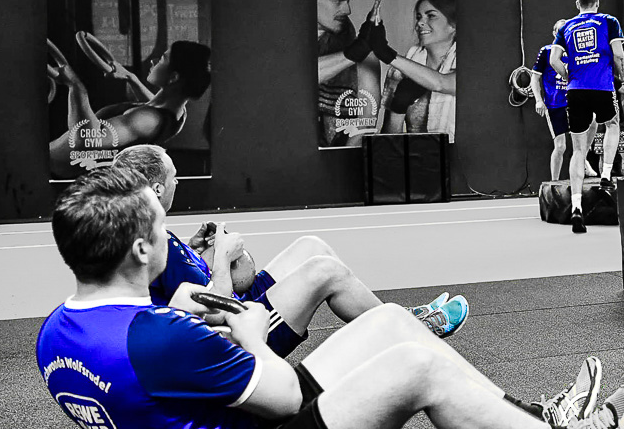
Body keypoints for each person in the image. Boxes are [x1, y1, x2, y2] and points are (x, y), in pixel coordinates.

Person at [36, 166, 624, 429]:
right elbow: (288, 399)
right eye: (163, 229)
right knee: (417, 366)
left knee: (389, 322)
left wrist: (206, 329)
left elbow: (159, 396)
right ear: (142, 251)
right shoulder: (155, 339)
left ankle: (540, 416)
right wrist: (250, 335)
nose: (172, 238)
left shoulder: (56, 334)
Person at [113, 145, 468, 354]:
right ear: (157, 189)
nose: (178, 182)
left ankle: (403, 318)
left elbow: (222, 283)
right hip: (233, 337)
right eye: (173, 176)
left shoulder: (154, 234)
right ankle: (408, 331)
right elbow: (214, 314)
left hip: (232, 303)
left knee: (311, 246)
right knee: (325, 272)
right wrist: (221, 256)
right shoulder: (150, 241)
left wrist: (195, 251)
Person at [47, 39, 212, 179]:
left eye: (163, 59)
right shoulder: (177, 112)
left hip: (51, 169)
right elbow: (151, 103)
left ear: (174, 77)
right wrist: (131, 78)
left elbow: (86, 140)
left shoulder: (147, 120)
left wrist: (76, 87)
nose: (154, 61)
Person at [551, 0, 624, 234]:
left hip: (576, 90)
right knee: (612, 124)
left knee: (578, 150)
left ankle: (576, 209)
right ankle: (605, 175)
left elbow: (553, 60)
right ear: (597, 2)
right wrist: (621, 77)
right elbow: (619, 55)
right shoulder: (608, 21)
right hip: (602, 87)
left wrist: (568, 74)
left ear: (577, 3)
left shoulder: (566, 27)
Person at [315, 0, 381, 148]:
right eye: (338, 1)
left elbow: (367, 122)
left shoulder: (365, 53)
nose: (348, 10)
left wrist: (339, 165)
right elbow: (292, 77)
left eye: (348, 1)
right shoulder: (281, 42)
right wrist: (352, 53)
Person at [378, 0, 458, 142]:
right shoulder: (400, 70)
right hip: (415, 158)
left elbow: (441, 83)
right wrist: (397, 107)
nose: (420, 23)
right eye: (419, 17)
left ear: (453, 25)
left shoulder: (471, 63)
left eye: (431, 15)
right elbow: (389, 140)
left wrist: (386, 53)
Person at [532, 20, 596, 182]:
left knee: (594, 120)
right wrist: (539, 100)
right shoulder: (547, 51)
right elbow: (535, 78)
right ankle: (554, 183)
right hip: (555, 104)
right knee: (560, 146)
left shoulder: (577, 51)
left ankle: (583, 159)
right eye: (560, 32)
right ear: (555, 33)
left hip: (575, 101)